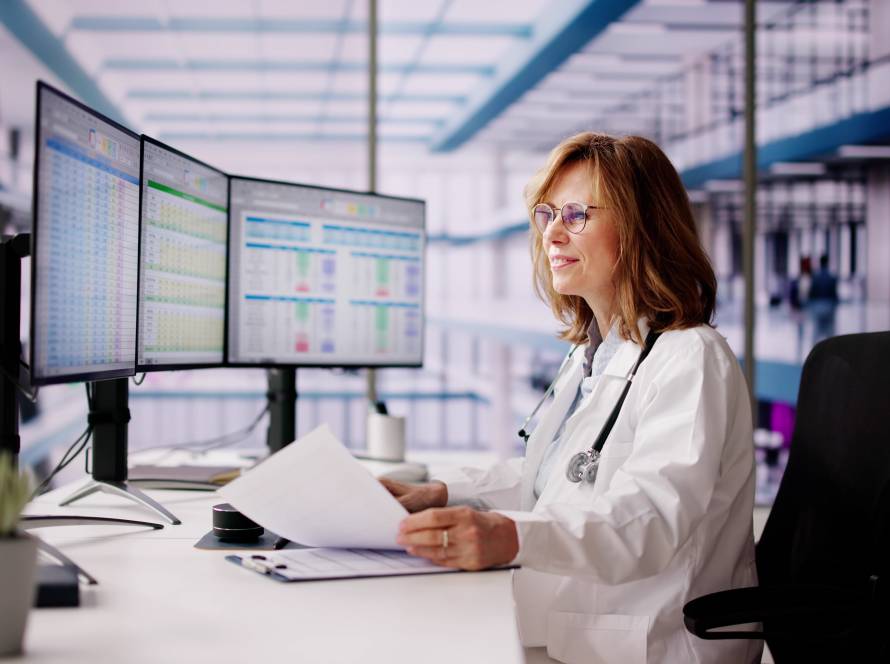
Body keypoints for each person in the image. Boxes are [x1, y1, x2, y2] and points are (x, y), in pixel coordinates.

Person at [383, 133, 761, 664]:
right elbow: (556, 480)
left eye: (577, 213)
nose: (552, 233)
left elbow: (649, 519)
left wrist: (508, 536)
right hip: (576, 634)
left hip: (653, 647)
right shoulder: (596, 355)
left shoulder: (692, 358)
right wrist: (443, 493)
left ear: (641, 227)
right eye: (547, 214)